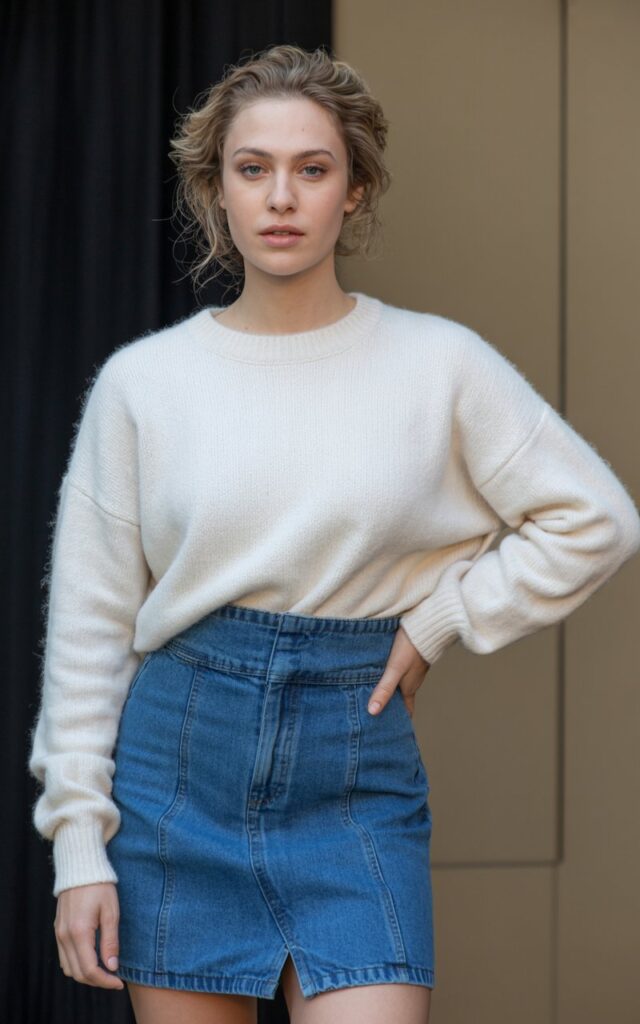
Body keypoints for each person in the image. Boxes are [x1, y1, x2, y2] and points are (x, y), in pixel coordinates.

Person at [28, 42, 640, 1024]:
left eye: (312, 170)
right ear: (215, 191)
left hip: (352, 780)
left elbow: (596, 519)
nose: (281, 197)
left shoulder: (438, 364)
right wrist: (77, 845)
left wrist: (443, 616)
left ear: (354, 192)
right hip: (175, 771)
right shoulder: (144, 385)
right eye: (252, 169)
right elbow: (90, 632)